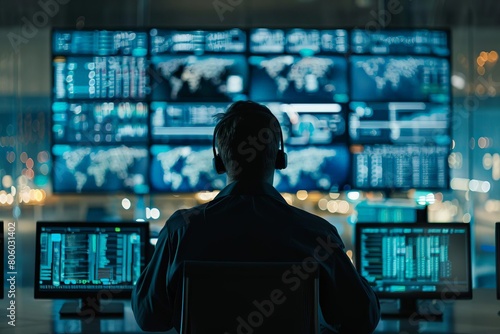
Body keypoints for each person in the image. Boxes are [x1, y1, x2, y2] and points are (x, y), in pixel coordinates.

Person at [131, 101, 380, 333]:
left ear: (220, 161)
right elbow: (363, 318)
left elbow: (149, 317)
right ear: (279, 158)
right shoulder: (316, 234)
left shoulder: (180, 231)